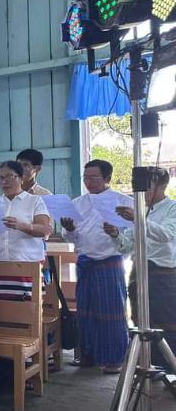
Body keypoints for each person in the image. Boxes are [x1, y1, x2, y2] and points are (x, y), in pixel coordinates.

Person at [60, 159, 131, 373]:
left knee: (111, 312)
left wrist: (115, 233)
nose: (88, 182)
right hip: (85, 262)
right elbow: (69, 237)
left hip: (109, 261)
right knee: (85, 311)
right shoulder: (78, 203)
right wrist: (69, 229)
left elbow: (130, 238)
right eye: (85, 178)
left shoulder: (123, 202)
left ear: (107, 178)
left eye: (93, 177)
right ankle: (87, 355)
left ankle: (114, 359)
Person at [105, 167, 176, 367]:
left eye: (147, 187)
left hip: (162, 274)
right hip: (139, 272)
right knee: (139, 319)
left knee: (166, 321)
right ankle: (146, 363)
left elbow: (166, 235)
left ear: (161, 186)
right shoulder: (140, 210)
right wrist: (114, 234)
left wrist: (137, 218)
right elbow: (126, 246)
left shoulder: (172, 208)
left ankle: (169, 367)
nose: (141, 192)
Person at [0, 161, 52, 300]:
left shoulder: (34, 201)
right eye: (0, 178)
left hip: (26, 265)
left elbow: (45, 229)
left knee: (27, 308)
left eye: (10, 177)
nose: (4, 182)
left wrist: (22, 226)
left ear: (21, 178)